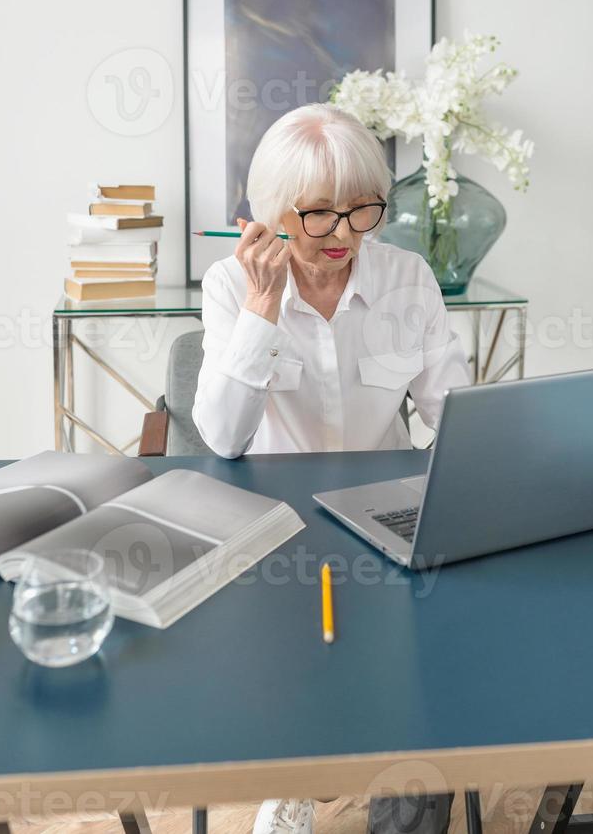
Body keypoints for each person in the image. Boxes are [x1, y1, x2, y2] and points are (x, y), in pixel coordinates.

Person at [192, 103, 470, 834]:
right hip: (269, 521)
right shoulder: (230, 284)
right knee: (291, 647)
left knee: (428, 661)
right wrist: (262, 305)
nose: (344, 234)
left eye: (361, 210)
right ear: (273, 213)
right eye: (318, 215)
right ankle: (297, 770)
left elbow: (456, 416)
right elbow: (221, 438)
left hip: (382, 512)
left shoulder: (407, 280)